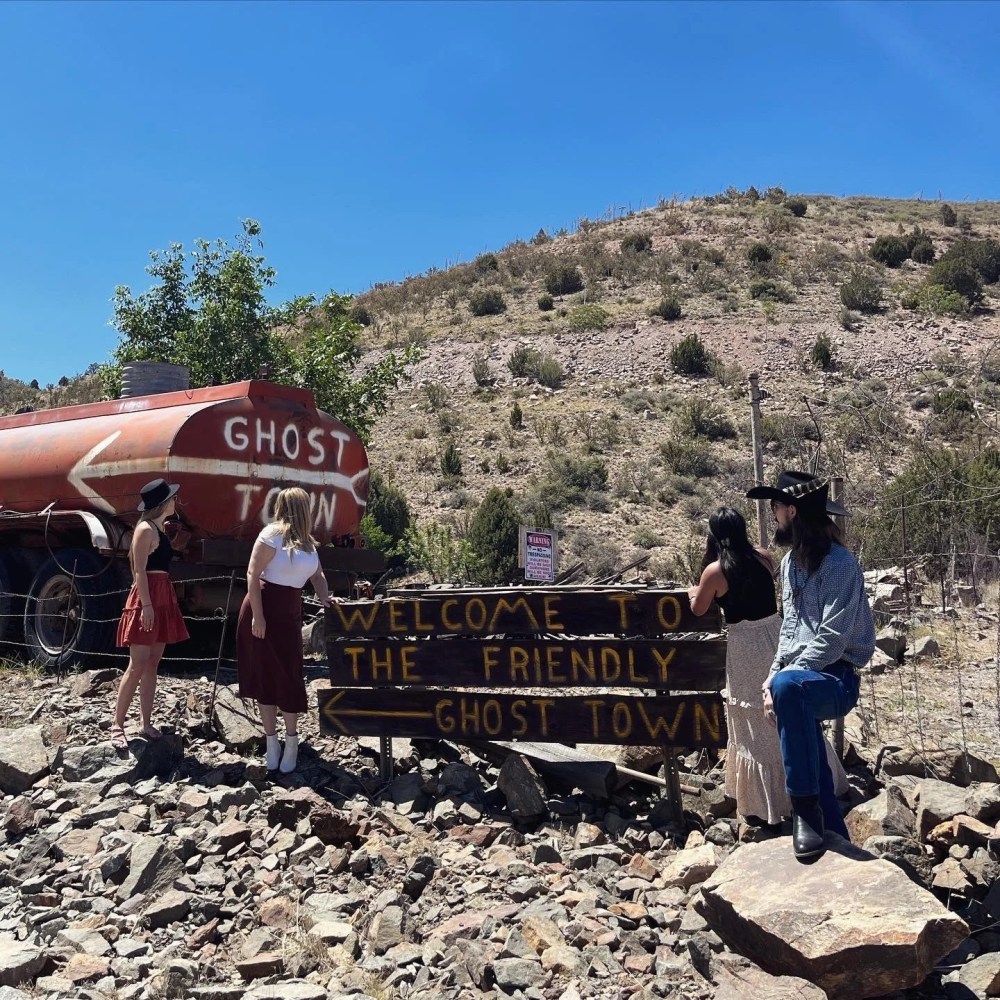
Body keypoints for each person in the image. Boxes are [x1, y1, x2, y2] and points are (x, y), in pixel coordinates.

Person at [747, 470, 875, 861]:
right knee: (796, 717)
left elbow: (832, 638)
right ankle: (832, 832)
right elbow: (790, 627)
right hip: (802, 675)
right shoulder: (788, 565)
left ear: (793, 511)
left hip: (837, 677)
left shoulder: (840, 564)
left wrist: (786, 678)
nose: (773, 516)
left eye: (776, 509)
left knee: (790, 692)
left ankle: (803, 809)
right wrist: (773, 674)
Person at [689, 507, 788, 830]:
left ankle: (763, 802)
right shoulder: (763, 556)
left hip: (744, 643)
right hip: (774, 633)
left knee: (751, 714)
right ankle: (795, 784)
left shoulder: (716, 571)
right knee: (782, 705)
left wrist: (695, 591)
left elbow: (698, 608)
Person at [237, 487, 334, 774]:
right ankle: (271, 742)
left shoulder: (308, 545)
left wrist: (326, 597)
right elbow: (253, 574)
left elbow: (317, 576)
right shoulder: (271, 535)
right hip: (264, 609)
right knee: (266, 675)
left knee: (289, 675)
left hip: (289, 615)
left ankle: (291, 741)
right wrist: (258, 616)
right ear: (303, 508)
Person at [112, 478, 190, 748]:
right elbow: (139, 571)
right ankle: (117, 725)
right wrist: (145, 605)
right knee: (137, 664)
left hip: (162, 595)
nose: (175, 501)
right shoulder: (145, 529)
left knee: (152, 663)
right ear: (163, 503)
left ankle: (145, 722)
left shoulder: (158, 527)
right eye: (172, 498)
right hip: (149, 596)